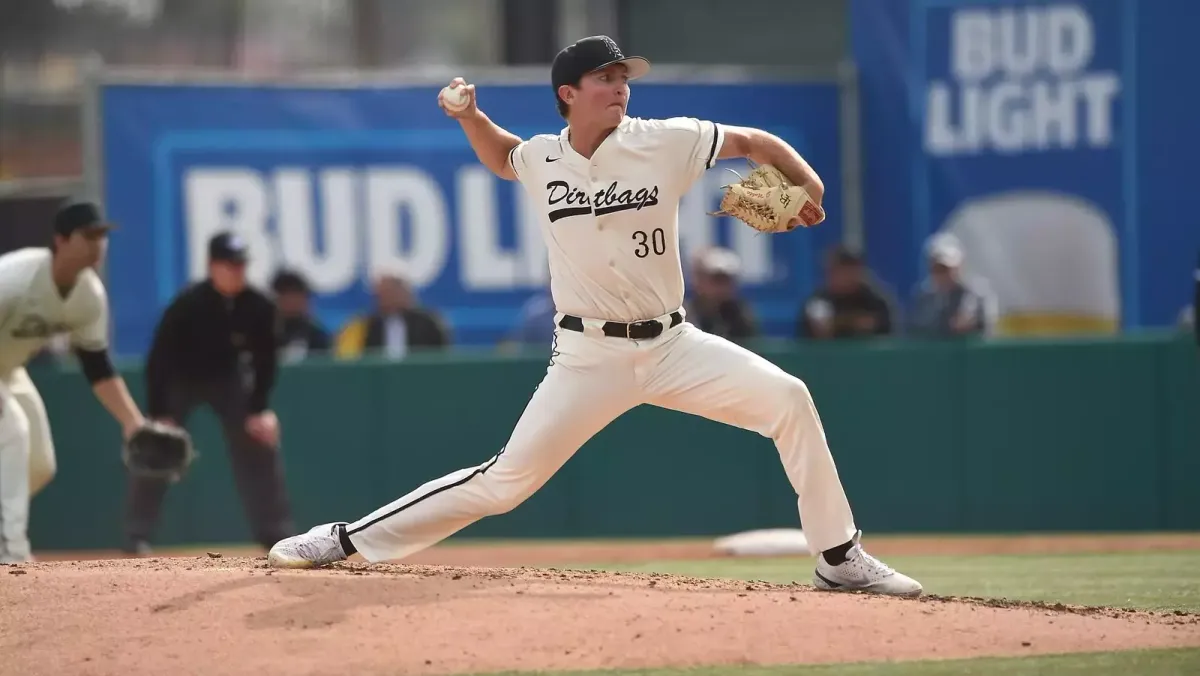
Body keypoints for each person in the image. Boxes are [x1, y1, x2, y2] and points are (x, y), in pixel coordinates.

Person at [267, 35, 922, 597]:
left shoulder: (665, 141)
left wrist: (808, 185)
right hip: (588, 357)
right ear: (567, 95)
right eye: (604, 78)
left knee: (789, 398)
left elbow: (752, 140)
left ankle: (838, 558)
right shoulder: (544, 159)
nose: (620, 87)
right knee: (504, 482)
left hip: (673, 344)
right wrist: (469, 115)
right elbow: (503, 156)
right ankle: (345, 540)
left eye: (623, 78)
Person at [0, 200, 164, 563]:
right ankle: (9, 553)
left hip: (8, 371)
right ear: (60, 240)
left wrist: (132, 424)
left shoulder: (88, 296)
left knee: (40, 465)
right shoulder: (14, 277)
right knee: (14, 431)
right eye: (88, 236)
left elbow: (97, 367)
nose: (98, 244)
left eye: (102, 236)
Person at [123, 231, 295, 554]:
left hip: (228, 379)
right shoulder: (188, 304)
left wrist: (259, 408)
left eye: (241, 264)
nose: (236, 270)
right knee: (156, 446)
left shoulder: (259, 306)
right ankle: (137, 535)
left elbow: (266, 360)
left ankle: (276, 534)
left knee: (260, 441)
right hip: (180, 379)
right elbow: (159, 359)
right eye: (229, 264)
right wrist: (161, 412)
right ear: (212, 265)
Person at [334, 269, 450, 360]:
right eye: (380, 294)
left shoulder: (428, 324)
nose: (383, 297)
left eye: (389, 292)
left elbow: (441, 357)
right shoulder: (366, 326)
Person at [906, 234, 997, 339]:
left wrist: (972, 323)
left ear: (959, 267)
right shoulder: (923, 297)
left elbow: (989, 327)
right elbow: (916, 328)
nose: (943, 276)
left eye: (946, 269)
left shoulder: (978, 295)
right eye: (937, 269)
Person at [797, 245, 895, 340]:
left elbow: (888, 335)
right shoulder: (817, 302)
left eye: (852, 269)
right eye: (842, 270)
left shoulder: (875, 301)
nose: (847, 276)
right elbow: (816, 333)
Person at [684, 247, 757, 342]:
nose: (722, 288)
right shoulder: (684, 315)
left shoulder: (740, 316)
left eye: (727, 280)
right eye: (717, 280)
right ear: (698, 280)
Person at [271, 269, 330, 362]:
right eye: (286, 296)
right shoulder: (265, 333)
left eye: (296, 295)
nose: (291, 301)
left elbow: (324, 368)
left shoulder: (317, 336)